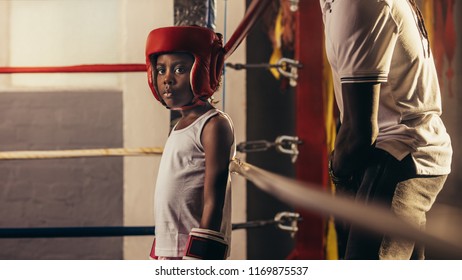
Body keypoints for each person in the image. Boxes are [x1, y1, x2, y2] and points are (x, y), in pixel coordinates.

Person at [320, 0, 452, 259]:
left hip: (399, 154)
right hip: (407, 151)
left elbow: (359, 133)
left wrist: (337, 174)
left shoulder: (358, 3)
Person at [145, 26, 235, 260]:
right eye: (161, 70)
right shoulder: (180, 126)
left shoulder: (214, 125)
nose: (167, 79)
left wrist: (199, 259)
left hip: (191, 252)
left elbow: (214, 200)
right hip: (169, 250)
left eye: (180, 69)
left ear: (202, 71)